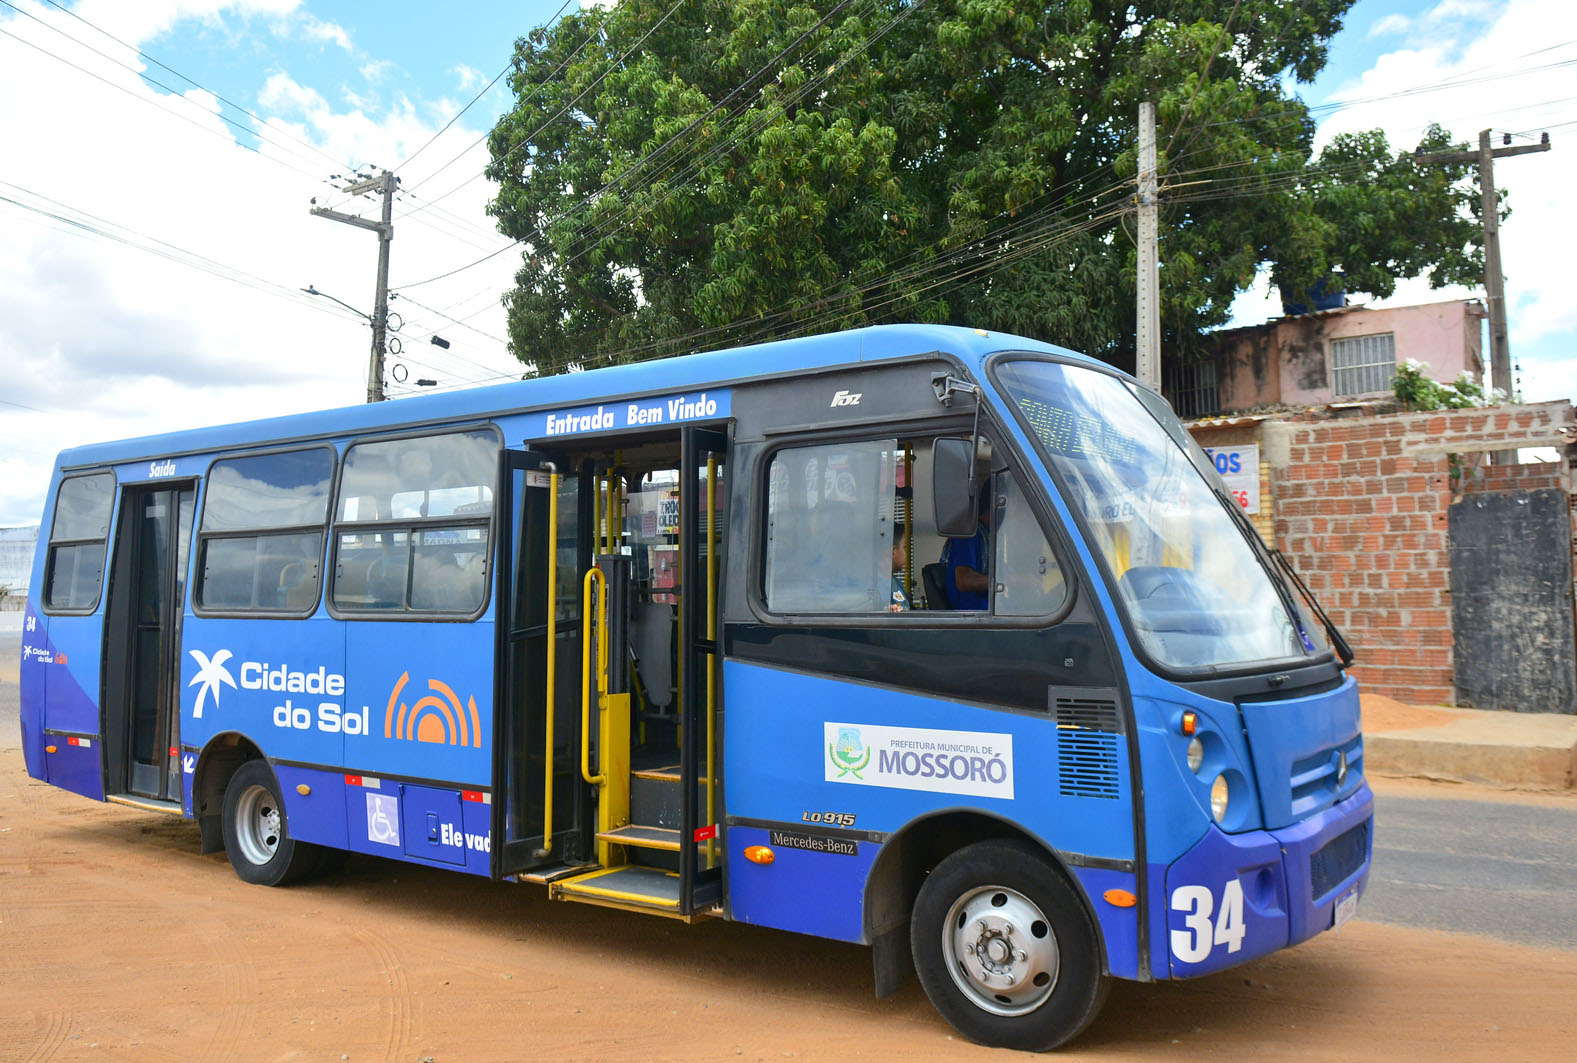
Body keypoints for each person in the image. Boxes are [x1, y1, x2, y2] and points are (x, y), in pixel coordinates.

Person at [941, 489, 991, 610]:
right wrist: (1008, 582)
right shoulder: (967, 534)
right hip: (974, 617)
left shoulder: (994, 536)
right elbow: (964, 580)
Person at [889, 523, 910, 612]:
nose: (906, 554)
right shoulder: (873, 589)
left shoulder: (896, 583)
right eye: (904, 547)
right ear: (893, 551)